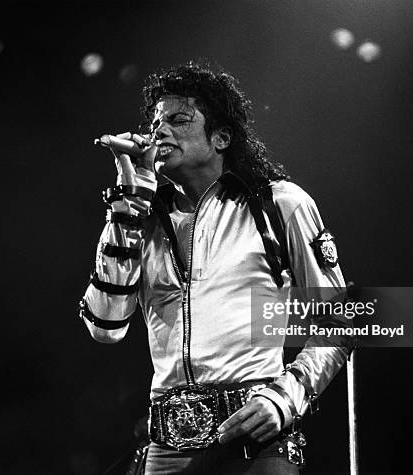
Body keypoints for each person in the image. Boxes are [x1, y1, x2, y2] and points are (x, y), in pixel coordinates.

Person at [79, 61, 352, 474]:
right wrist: (127, 211)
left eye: (178, 119)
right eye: (156, 123)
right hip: (167, 446)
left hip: (256, 443)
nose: (159, 131)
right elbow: (106, 327)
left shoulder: (279, 204)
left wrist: (285, 397)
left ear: (221, 137)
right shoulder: (142, 216)